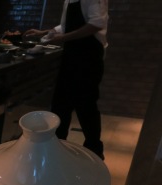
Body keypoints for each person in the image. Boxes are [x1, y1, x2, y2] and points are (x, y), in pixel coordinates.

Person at [25, 0, 108, 159]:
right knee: (61, 104)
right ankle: (56, 148)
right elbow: (66, 26)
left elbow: (97, 23)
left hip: (89, 58)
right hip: (72, 56)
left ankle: (95, 153)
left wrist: (63, 38)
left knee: (86, 107)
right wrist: (43, 32)